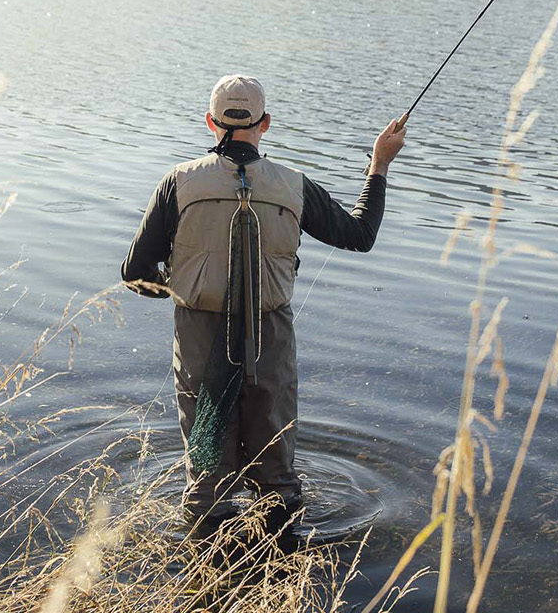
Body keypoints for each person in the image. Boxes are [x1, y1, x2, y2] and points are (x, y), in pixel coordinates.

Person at [121, 73, 407, 541]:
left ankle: (204, 583)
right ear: (266, 123)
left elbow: (134, 272)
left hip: (200, 341)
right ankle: (280, 573)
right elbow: (360, 236)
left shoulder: (178, 182)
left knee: (207, 483)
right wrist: (379, 166)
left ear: (210, 122)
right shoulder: (293, 184)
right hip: (270, 341)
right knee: (277, 480)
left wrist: (181, 290)